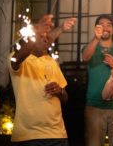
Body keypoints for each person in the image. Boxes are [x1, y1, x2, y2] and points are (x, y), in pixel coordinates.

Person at [8, 14, 75, 146]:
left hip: (57, 134)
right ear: (30, 38)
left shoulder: (51, 61)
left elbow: (65, 97)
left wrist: (60, 91)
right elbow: (18, 58)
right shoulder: (16, 58)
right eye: (41, 37)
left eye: (47, 38)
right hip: (28, 136)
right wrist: (38, 31)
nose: (47, 41)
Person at [82, 15, 113, 146]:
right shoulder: (90, 46)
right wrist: (97, 38)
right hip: (94, 106)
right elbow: (85, 57)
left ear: (112, 29)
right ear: (96, 28)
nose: (105, 27)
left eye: (109, 25)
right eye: (101, 25)